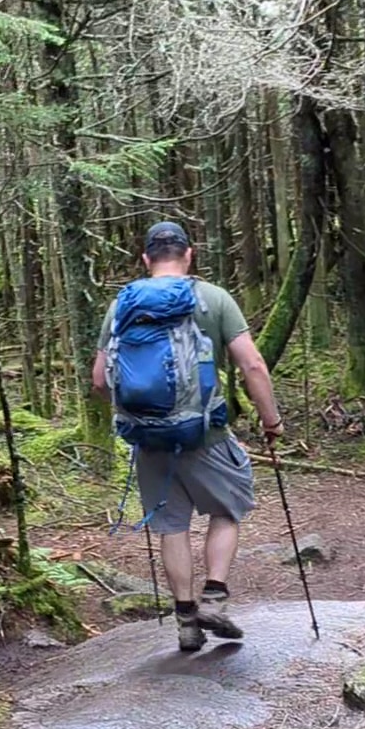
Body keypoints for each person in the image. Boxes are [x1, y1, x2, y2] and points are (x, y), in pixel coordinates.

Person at [93, 220, 284, 653]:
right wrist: (271, 421)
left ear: (146, 258)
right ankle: (214, 597)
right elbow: (252, 365)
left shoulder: (122, 304)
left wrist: (141, 413)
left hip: (149, 439)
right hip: (206, 434)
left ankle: (185, 622)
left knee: (171, 525)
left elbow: (100, 379)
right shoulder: (213, 298)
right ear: (189, 254)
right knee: (228, 509)